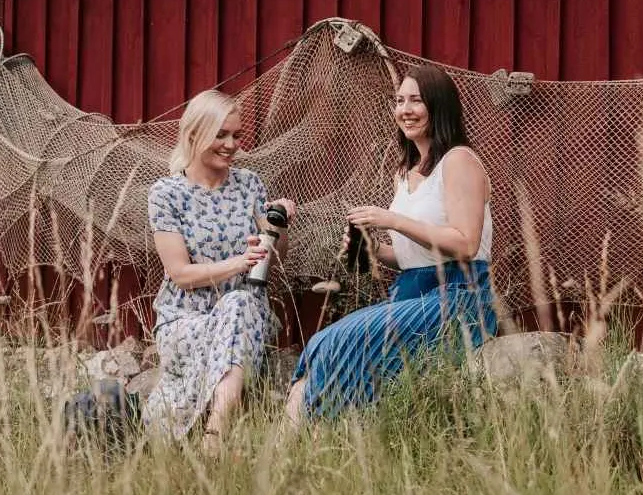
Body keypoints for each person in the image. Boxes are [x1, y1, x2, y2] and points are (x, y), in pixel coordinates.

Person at [286, 64, 498, 421]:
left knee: (337, 340)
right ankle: (295, 441)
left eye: (416, 100)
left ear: (439, 106)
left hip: (458, 297)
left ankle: (304, 435)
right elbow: (413, 257)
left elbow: (465, 245)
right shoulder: (405, 173)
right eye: (399, 101)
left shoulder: (459, 160)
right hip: (411, 291)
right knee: (321, 343)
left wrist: (393, 220)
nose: (405, 110)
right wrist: (372, 250)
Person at [142, 89, 296, 447]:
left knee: (240, 303)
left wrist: (280, 226)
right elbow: (179, 274)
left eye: (237, 135)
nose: (231, 144)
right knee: (236, 305)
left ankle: (215, 435)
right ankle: (211, 433)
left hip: (245, 313)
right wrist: (239, 263)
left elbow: (277, 258)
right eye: (221, 135)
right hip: (186, 319)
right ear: (194, 134)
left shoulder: (249, 185)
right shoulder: (166, 193)